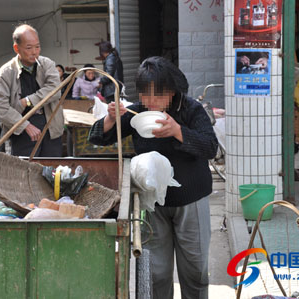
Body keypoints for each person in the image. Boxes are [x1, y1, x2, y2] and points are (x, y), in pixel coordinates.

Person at [88, 56, 218, 299]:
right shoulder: (138, 112)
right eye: (145, 95)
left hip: (191, 200)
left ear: (172, 91)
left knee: (195, 268)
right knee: (156, 271)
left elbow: (211, 147)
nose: (150, 101)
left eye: (158, 95)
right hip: (153, 202)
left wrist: (178, 131)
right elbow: (97, 137)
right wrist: (111, 118)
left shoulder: (191, 110)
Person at [0, 24, 64, 157]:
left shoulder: (47, 64)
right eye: (29, 48)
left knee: (53, 172)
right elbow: (0, 108)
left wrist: (27, 101)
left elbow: (55, 90)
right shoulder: (4, 74)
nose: (34, 52)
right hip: (22, 132)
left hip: (51, 128)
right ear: (16, 48)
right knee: (25, 172)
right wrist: (25, 126)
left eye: (37, 47)